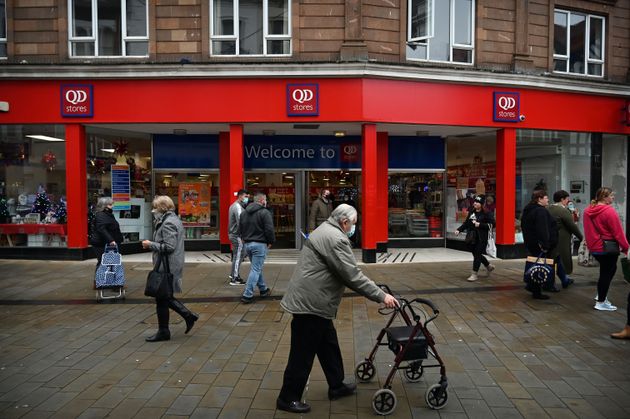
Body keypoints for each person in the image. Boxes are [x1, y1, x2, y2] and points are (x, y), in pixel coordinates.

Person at [277, 204, 398, 414]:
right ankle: (287, 398)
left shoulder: (325, 228)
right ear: (344, 222)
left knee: (328, 345)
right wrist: (381, 295)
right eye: (353, 224)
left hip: (314, 301)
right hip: (311, 304)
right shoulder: (336, 239)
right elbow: (352, 276)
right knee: (302, 354)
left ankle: (337, 385)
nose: (354, 228)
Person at [142, 195, 199, 342]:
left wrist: (150, 244)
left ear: (162, 208)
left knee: (162, 297)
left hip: (167, 265)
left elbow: (169, 246)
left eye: (155, 207)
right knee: (163, 297)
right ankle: (167, 329)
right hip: (168, 263)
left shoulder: (168, 223)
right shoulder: (171, 219)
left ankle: (184, 318)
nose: (153, 210)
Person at [583, 187, 629, 311]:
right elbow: (618, 233)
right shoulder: (609, 211)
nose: (613, 197)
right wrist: (626, 248)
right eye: (611, 195)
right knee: (607, 273)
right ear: (604, 197)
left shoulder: (588, 210)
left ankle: (601, 295)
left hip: (595, 247)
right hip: (608, 247)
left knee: (607, 271)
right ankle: (601, 301)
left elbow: (587, 230)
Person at [521, 190, 558, 300]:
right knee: (539, 266)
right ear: (539, 199)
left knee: (535, 265)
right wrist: (545, 244)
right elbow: (542, 229)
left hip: (532, 243)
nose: (548, 200)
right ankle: (536, 290)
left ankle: (532, 285)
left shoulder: (528, 209)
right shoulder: (540, 211)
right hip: (539, 245)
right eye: (546, 198)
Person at [238, 192, 274, 304]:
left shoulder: (244, 213)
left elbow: (240, 228)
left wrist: (244, 238)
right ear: (262, 201)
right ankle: (247, 294)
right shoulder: (265, 212)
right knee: (256, 269)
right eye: (266, 200)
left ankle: (263, 289)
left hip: (247, 244)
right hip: (259, 244)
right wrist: (271, 241)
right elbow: (269, 229)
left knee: (256, 268)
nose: (266, 202)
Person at [547, 190, 583, 289]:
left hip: (550, 238)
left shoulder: (548, 208)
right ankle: (560, 280)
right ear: (562, 199)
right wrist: (582, 238)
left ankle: (563, 279)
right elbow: (572, 226)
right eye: (567, 199)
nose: (568, 201)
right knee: (563, 259)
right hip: (562, 239)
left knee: (553, 259)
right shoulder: (563, 210)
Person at [455, 195, 496, 282]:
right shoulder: (472, 212)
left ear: (481, 204)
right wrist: (459, 230)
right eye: (475, 202)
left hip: (482, 238)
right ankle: (489, 266)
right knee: (477, 255)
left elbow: (492, 225)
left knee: (477, 255)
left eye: (477, 202)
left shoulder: (487, 213)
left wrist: (480, 224)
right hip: (472, 237)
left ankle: (474, 274)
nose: (475, 203)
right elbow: (466, 223)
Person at [90, 197, 123, 271]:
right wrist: (111, 240)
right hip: (101, 244)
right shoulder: (101, 215)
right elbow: (102, 229)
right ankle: (99, 280)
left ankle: (106, 280)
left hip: (107, 243)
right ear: (104, 206)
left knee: (108, 263)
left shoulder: (108, 214)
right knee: (102, 262)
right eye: (110, 204)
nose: (113, 206)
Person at [228, 189, 249, 286]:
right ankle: (234, 278)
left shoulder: (234, 205)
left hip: (234, 234)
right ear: (240, 196)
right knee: (239, 256)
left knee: (238, 255)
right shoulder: (237, 207)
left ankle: (233, 274)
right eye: (245, 196)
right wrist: (244, 236)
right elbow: (242, 222)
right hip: (237, 235)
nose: (247, 198)